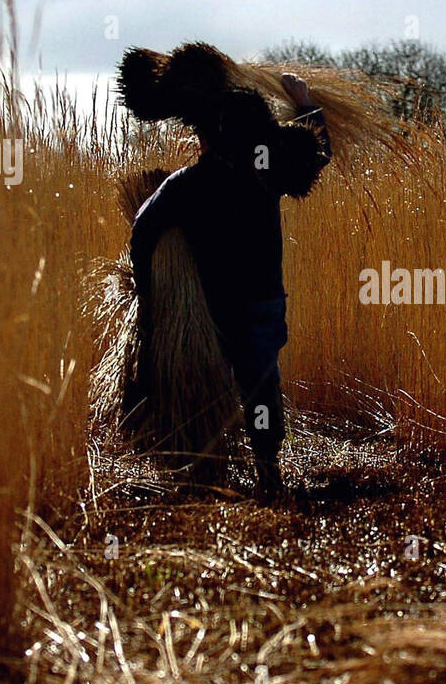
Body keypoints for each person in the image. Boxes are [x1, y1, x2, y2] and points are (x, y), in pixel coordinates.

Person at [122, 45, 331, 495]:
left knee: (201, 381)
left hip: (208, 308)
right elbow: (316, 154)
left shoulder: (187, 185)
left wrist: (146, 292)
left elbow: (141, 230)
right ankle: (266, 466)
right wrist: (304, 101)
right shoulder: (265, 172)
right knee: (260, 384)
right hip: (261, 303)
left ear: (205, 137)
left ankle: (200, 465)